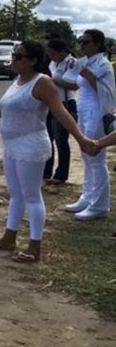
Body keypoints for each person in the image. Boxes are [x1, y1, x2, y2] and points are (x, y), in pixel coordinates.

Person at [0, 41, 96, 262]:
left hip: (31, 146)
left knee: (31, 196)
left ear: (33, 60)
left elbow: (60, 112)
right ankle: (9, 237)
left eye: (19, 56)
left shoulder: (43, 83)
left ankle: (34, 246)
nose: (14, 60)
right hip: (11, 145)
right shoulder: (17, 81)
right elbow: (7, 112)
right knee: (15, 194)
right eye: (14, 55)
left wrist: (81, 139)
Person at [63, 29, 116, 221]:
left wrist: (87, 75)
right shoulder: (84, 62)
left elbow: (107, 91)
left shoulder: (103, 64)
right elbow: (71, 83)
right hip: (84, 112)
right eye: (81, 42)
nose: (82, 45)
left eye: (86, 42)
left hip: (96, 112)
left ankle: (100, 204)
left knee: (95, 158)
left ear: (97, 44)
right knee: (86, 158)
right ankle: (87, 196)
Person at [43, 39, 78, 185]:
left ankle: (61, 174)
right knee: (47, 139)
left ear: (61, 51)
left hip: (65, 103)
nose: (51, 56)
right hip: (49, 103)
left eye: (52, 53)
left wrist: (54, 81)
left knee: (60, 140)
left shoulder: (72, 63)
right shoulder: (52, 63)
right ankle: (46, 171)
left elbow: (75, 85)